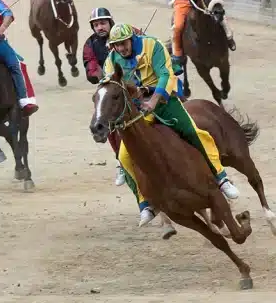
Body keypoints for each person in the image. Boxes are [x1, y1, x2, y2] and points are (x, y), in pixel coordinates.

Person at [103, 23, 240, 227]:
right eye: (117, 46)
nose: (121, 49)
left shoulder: (153, 46)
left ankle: (221, 178)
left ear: (131, 39)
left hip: (166, 102)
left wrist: (154, 99)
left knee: (194, 132)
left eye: (123, 44)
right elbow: (111, 85)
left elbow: (166, 75)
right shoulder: (111, 60)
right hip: (140, 110)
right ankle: (145, 203)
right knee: (124, 156)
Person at [83, 7, 137, 187]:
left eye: (103, 23)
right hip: (109, 85)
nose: (100, 27)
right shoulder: (89, 45)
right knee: (108, 120)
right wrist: (101, 76)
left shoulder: (121, 32)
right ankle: (121, 162)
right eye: (96, 25)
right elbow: (91, 65)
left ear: (110, 23)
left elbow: (138, 38)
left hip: (136, 79)